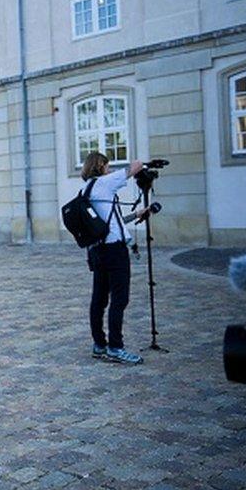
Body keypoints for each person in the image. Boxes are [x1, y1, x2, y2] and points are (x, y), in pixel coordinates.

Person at [80, 152, 148, 365]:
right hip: (114, 252)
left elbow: (108, 221)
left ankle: (99, 344)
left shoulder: (86, 189)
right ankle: (116, 348)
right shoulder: (105, 183)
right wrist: (145, 164)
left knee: (99, 299)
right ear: (100, 166)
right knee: (120, 298)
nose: (109, 170)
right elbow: (134, 167)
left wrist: (135, 215)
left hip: (98, 251)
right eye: (107, 166)